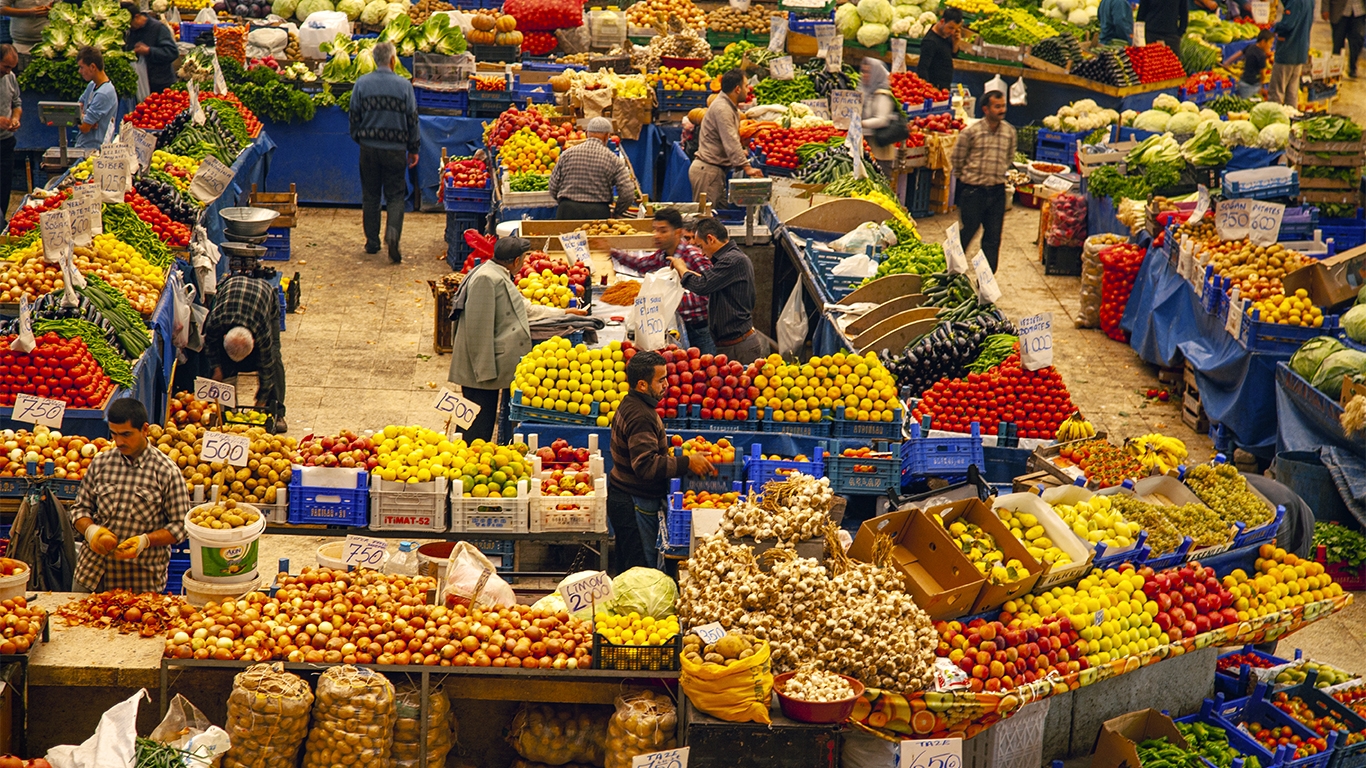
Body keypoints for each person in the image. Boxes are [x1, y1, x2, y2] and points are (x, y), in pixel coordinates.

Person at [69, 398, 190, 593]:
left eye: (126, 434)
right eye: (114, 434)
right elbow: (79, 509)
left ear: (144, 429)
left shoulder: (167, 472)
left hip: (139, 581)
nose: (119, 442)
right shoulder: (101, 463)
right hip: (91, 575)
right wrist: (91, 531)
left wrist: (145, 540)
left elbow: (180, 527)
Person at [608, 350, 712, 572]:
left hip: (625, 496)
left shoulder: (633, 403)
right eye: (661, 380)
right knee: (641, 572)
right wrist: (686, 462)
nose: (667, 384)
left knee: (629, 568)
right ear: (643, 385)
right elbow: (645, 466)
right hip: (634, 502)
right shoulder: (641, 416)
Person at [448, 237, 533, 444]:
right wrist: (485, 374)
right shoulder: (487, 279)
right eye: (523, 258)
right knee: (476, 429)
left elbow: (524, 308)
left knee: (479, 424)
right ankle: (464, 466)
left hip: (481, 372)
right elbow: (478, 329)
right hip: (479, 372)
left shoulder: (495, 273)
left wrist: (565, 312)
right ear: (515, 261)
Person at [349, 40, 419, 264]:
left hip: (368, 149)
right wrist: (413, 148)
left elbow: (354, 116)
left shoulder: (362, 83)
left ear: (374, 60)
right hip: (396, 150)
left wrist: (360, 138)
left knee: (370, 195)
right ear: (392, 59)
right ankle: (393, 233)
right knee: (396, 195)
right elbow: (412, 119)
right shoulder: (404, 85)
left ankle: (372, 242)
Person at [611, 208, 715, 354]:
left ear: (678, 232)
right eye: (655, 230)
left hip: (700, 330)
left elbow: (710, 293)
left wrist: (668, 299)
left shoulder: (694, 256)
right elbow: (642, 265)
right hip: (678, 325)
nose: (657, 235)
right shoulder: (663, 255)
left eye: (663, 231)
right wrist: (613, 252)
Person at [671, 217, 764, 364]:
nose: (701, 253)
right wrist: (684, 272)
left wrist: (681, 267)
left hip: (738, 347)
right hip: (729, 345)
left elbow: (702, 285)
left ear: (711, 239)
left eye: (701, 246)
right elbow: (707, 281)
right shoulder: (728, 259)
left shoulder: (732, 260)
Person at [203, 275, 288, 433]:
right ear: (224, 337)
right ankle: (227, 410)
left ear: (254, 342)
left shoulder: (261, 330)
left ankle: (277, 412)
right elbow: (210, 345)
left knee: (274, 359)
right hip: (232, 290)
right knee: (222, 368)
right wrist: (217, 368)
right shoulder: (216, 321)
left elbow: (266, 369)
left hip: (265, 297)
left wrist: (261, 402)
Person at [950, 89, 1015, 273]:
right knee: (968, 231)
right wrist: (966, 181)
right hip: (973, 192)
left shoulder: (1009, 132)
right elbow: (957, 159)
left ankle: (985, 282)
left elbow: (1009, 157)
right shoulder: (971, 133)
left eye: (1003, 106)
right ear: (986, 109)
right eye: (997, 106)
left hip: (997, 193)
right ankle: (951, 271)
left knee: (993, 238)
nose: (1002, 110)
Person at [690, 69, 763, 208]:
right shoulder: (722, 108)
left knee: (717, 215)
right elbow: (730, 139)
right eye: (746, 86)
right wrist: (747, 167)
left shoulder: (728, 106)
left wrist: (742, 152)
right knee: (705, 219)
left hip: (713, 172)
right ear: (737, 89)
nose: (748, 90)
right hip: (708, 172)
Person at [548, 116, 639, 220]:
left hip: (567, 210)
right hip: (598, 213)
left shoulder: (567, 154)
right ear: (606, 137)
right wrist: (618, 211)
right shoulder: (613, 159)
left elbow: (553, 186)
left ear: (586, 133)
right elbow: (627, 192)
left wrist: (565, 202)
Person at [860, 58, 905, 179]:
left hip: (880, 151)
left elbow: (882, 120)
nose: (865, 75)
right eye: (863, 72)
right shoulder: (866, 91)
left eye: (868, 72)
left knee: (880, 181)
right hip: (869, 147)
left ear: (876, 73)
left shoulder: (882, 94)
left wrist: (861, 123)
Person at [122, 4, 178, 94]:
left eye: (129, 23)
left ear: (137, 17)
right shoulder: (130, 31)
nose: (129, 27)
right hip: (142, 83)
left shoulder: (158, 28)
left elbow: (172, 52)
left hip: (161, 84)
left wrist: (149, 50)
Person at [1270, 0, 1313, 104]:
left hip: (1288, 50)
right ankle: (1292, 117)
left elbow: (1288, 25)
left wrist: (1275, 26)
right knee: (1292, 93)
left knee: (1277, 92)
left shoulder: (1294, 2)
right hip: (1300, 52)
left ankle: (1274, 117)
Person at [74, 46, 116, 149]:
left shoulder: (104, 94)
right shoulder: (92, 85)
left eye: (82, 67)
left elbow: (84, 127)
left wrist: (83, 119)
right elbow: (76, 108)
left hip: (94, 151)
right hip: (82, 146)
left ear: (92, 67)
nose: (80, 71)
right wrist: (86, 119)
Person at [916, 8, 963, 91]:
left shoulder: (946, 34)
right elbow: (922, 69)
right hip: (934, 90)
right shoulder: (930, 42)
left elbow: (952, 55)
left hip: (944, 88)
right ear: (942, 21)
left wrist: (955, 43)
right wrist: (929, 89)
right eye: (951, 28)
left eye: (955, 29)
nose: (952, 32)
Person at [0, 45, 20, 219]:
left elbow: (17, 103)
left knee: (4, 187)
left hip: (6, 143)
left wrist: (15, 119)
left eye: (11, 68)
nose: (8, 71)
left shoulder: (11, 78)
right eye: (5, 67)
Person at [1225, 29, 1274, 98]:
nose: (1271, 46)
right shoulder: (1262, 55)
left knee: (1244, 101)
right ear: (1263, 42)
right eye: (1270, 43)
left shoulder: (1250, 46)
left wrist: (1227, 62)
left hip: (1243, 81)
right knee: (1251, 104)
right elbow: (1262, 74)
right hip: (1253, 85)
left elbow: (1238, 54)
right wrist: (1262, 87)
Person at [1326, 0, 1365, 79]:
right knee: (1338, 42)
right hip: (1340, 11)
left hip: (1359, 10)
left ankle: (1352, 68)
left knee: (1358, 39)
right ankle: (1335, 69)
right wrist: (1325, 9)